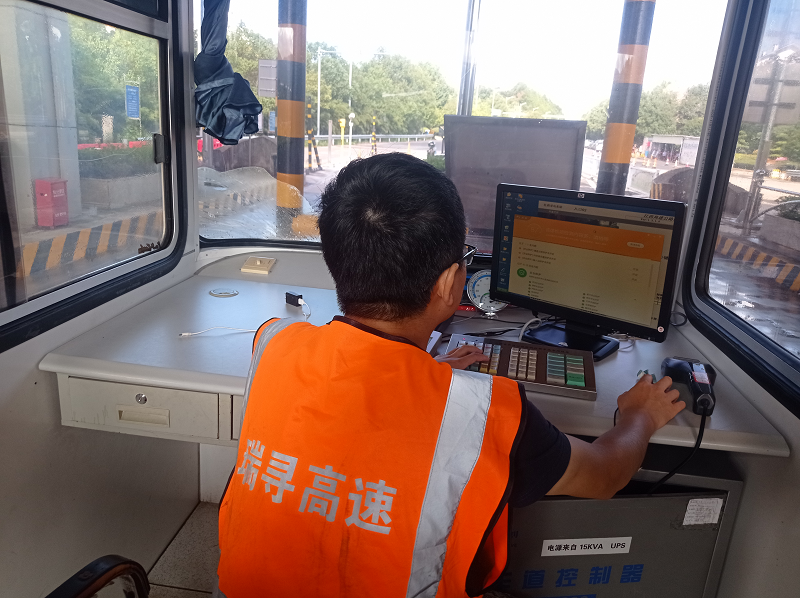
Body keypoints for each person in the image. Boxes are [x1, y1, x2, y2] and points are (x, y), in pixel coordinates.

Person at [215, 153, 684, 598]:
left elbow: (355, 396)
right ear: (447, 284)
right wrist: (640, 416)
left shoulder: (273, 341)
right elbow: (603, 476)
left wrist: (425, 374)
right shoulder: (488, 412)